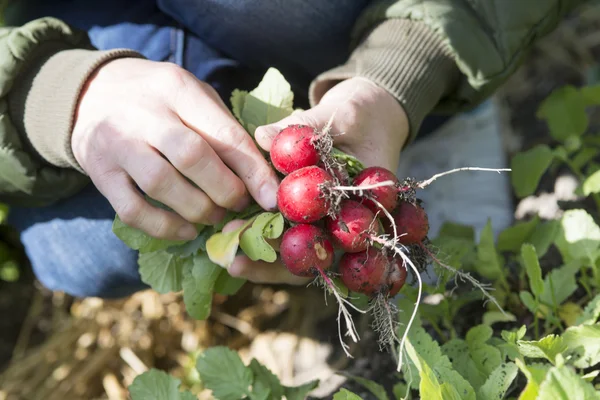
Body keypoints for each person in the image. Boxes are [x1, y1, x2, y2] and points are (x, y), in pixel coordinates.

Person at [0, 0, 586, 298]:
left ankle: (426, 112)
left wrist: (405, 68)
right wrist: (57, 95)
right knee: (76, 250)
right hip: (66, 22)